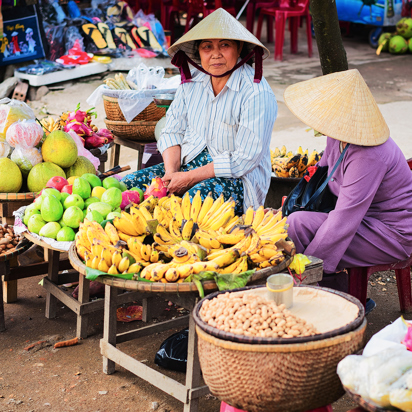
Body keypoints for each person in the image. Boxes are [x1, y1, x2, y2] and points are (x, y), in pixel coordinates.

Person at [122, 8, 277, 214]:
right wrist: (170, 175)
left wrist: (188, 179)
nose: (216, 54)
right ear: (198, 52)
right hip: (187, 166)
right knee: (129, 185)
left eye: (225, 45)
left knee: (191, 202)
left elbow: (244, 160)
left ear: (239, 48)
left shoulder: (257, 93)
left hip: (238, 178)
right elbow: (172, 131)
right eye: (207, 47)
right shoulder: (192, 82)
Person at [284, 69, 412, 307]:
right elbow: (321, 176)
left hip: (391, 233)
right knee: (295, 223)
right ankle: (337, 296)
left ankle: (325, 301)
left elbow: (343, 221)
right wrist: (287, 209)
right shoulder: (338, 134)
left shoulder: (369, 155)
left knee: (300, 235)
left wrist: (304, 272)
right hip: (361, 219)